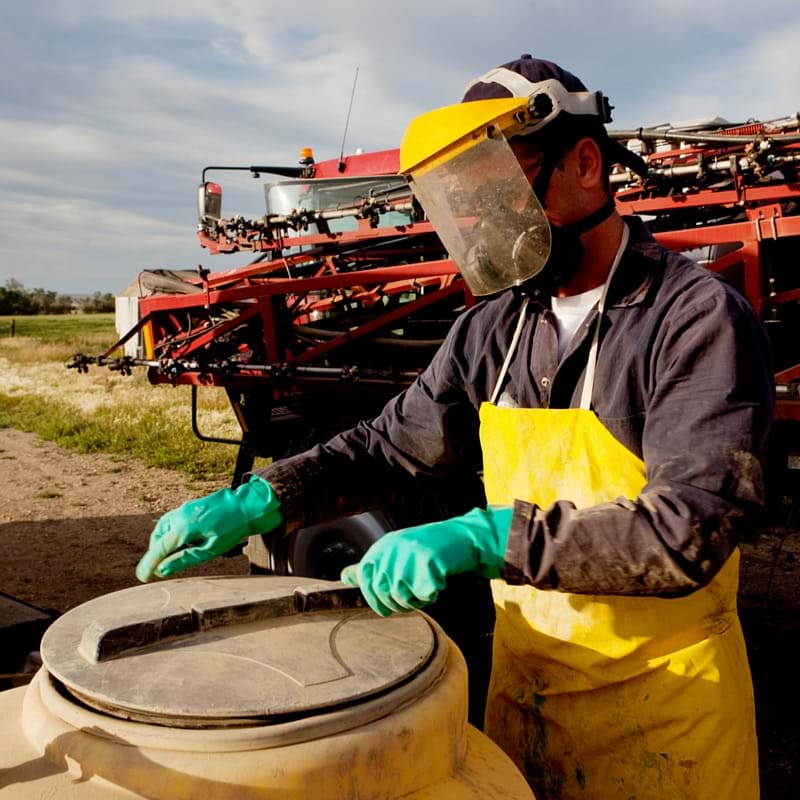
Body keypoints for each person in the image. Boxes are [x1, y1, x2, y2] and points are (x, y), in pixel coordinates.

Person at [136, 56, 772, 799]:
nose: (483, 221)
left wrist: (481, 537)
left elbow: (689, 526)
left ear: (586, 163)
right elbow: (387, 447)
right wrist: (261, 498)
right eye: (467, 199)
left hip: (666, 719)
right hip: (528, 696)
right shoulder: (494, 329)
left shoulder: (693, 319)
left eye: (500, 189)